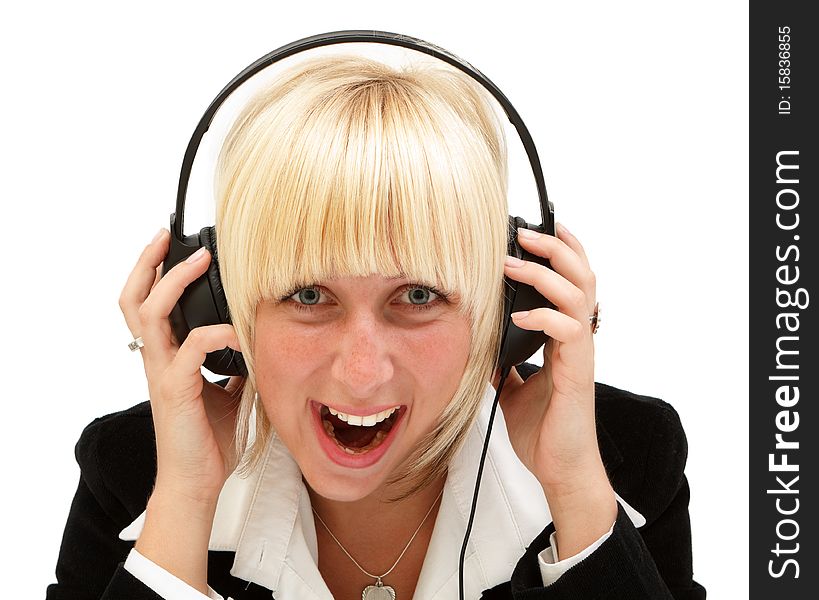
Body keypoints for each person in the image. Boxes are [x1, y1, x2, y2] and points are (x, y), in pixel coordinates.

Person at [47, 50, 706, 599]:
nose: (361, 371)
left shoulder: (626, 456)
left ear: (504, 311)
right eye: (308, 294)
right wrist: (185, 499)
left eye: (418, 295)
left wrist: (575, 493)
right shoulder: (133, 471)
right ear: (217, 308)